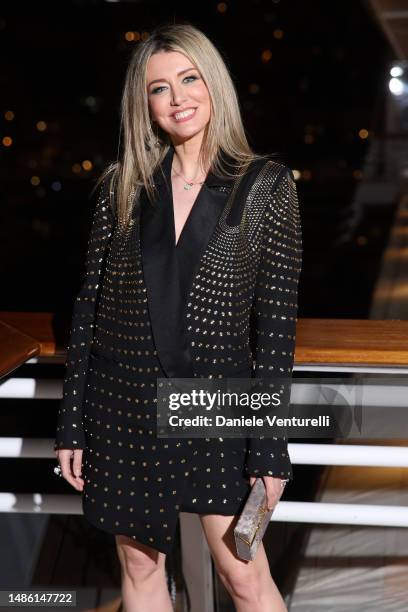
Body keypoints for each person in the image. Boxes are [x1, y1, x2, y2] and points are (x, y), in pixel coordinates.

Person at [54, 22, 302, 612]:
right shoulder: (124, 184)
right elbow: (87, 309)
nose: (178, 98)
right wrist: (71, 423)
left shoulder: (266, 186)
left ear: (214, 85)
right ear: (145, 106)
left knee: (245, 576)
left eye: (189, 79)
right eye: (159, 88)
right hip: (124, 404)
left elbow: (276, 333)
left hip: (215, 408)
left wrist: (269, 448)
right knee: (140, 569)